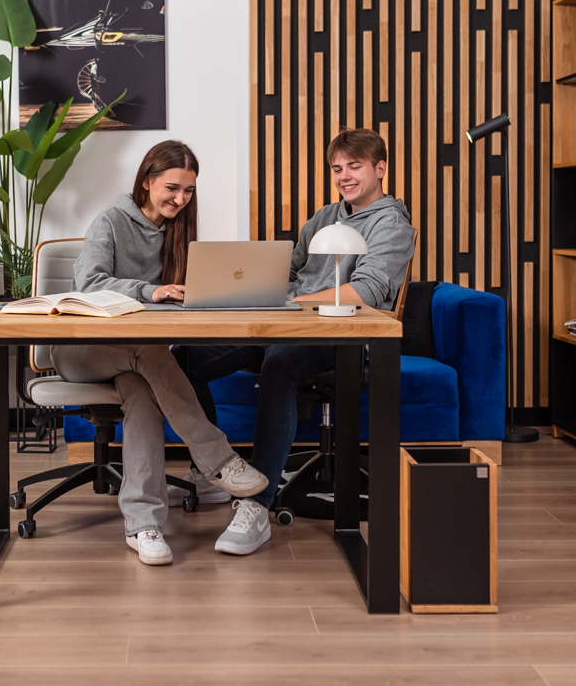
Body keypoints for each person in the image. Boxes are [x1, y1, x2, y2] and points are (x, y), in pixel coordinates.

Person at [174, 128, 414, 556]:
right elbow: (288, 273)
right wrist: (252, 292)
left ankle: (256, 507)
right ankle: (212, 471)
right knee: (183, 359)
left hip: (337, 334)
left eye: (354, 166)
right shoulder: (325, 218)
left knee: (279, 365)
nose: (344, 176)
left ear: (380, 169)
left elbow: (367, 291)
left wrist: (296, 301)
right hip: (282, 322)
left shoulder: (391, 224)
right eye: (337, 168)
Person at [49, 140, 269, 567]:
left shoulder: (179, 230)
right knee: (148, 354)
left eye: (188, 191)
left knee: (142, 393)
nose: (180, 199)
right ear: (147, 181)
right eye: (172, 188)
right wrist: (151, 290)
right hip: (80, 350)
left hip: (133, 357)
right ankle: (218, 460)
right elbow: (88, 285)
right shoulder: (111, 221)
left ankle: (142, 526)